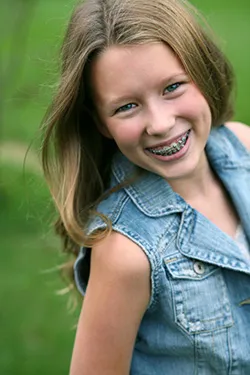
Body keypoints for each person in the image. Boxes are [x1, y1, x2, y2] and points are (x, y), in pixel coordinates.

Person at [41, 0, 250, 373]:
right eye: (126, 107)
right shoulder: (125, 252)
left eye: (172, 87)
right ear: (101, 123)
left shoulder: (243, 148)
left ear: (201, 72)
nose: (159, 123)